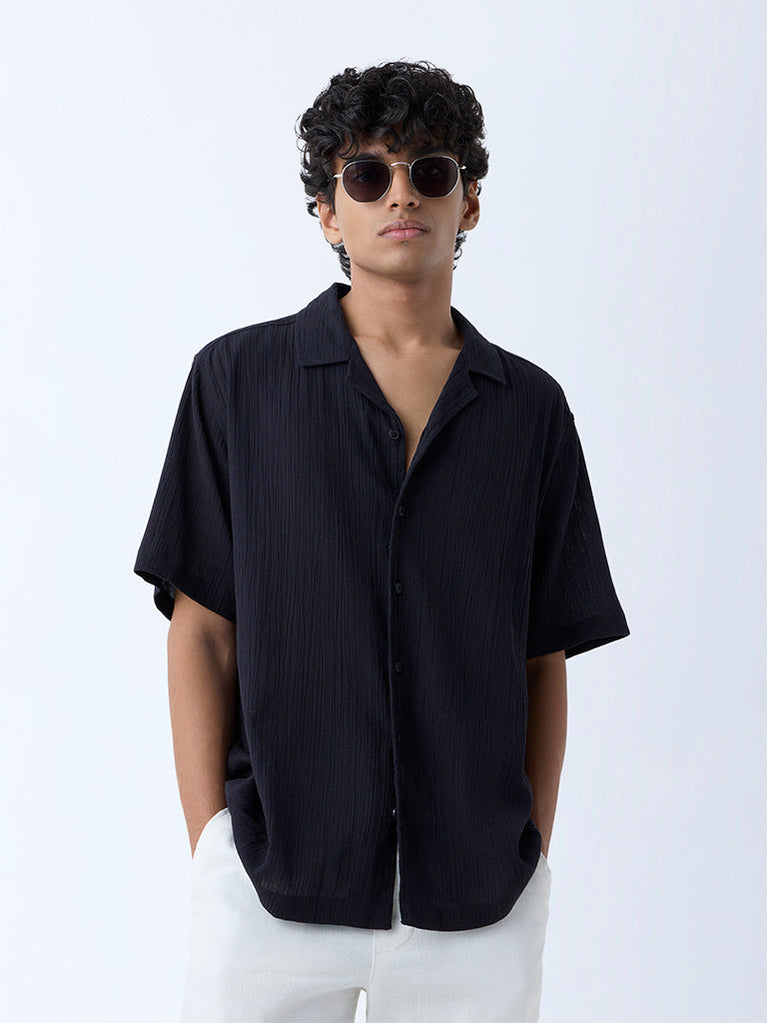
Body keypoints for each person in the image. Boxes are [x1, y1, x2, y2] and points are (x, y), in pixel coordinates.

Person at [134, 59, 630, 1023]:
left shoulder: (529, 410)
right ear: (328, 212)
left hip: (475, 898)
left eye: (429, 171)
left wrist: (527, 846)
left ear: (468, 202)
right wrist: (212, 849)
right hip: (272, 882)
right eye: (367, 174)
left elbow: (543, 655)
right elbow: (202, 631)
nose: (400, 194)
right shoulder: (237, 383)